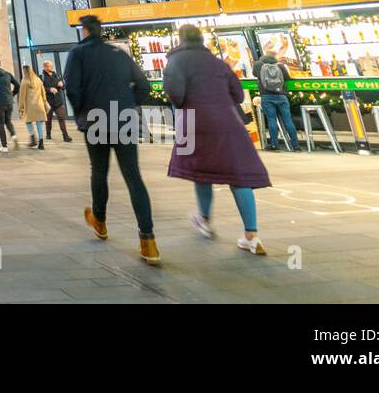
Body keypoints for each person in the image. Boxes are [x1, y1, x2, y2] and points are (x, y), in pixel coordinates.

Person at [164, 25, 271, 255]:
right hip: (229, 124)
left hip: (195, 123)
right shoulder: (218, 63)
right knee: (239, 176)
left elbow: (176, 95)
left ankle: (204, 219)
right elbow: (239, 94)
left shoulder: (176, 61)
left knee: (200, 171)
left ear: (180, 40)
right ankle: (251, 235)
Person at [64, 15, 159, 266]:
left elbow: (72, 88)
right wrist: (128, 105)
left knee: (99, 170)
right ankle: (148, 241)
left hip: (95, 120)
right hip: (124, 118)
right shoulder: (119, 54)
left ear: (84, 31)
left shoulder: (78, 54)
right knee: (133, 176)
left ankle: (100, 222)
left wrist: (82, 112)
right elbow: (144, 86)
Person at [256, 53, 299, 151]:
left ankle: (274, 145)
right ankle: (296, 145)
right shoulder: (280, 66)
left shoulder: (259, 66)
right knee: (288, 120)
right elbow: (288, 77)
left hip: (267, 96)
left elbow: (255, 74)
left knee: (272, 120)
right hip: (281, 95)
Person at [41, 60, 73, 142]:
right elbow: (40, 89)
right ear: (44, 67)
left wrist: (62, 85)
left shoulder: (57, 76)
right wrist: (49, 89)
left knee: (61, 118)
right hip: (48, 102)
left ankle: (65, 136)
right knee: (48, 120)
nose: (51, 68)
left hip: (58, 102)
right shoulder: (41, 77)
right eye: (49, 66)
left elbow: (63, 87)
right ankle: (48, 134)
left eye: (51, 66)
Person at [18, 64, 49, 150]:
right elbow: (43, 93)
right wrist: (44, 101)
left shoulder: (24, 81)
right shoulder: (38, 80)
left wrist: (20, 109)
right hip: (39, 105)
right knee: (39, 124)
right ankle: (41, 143)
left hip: (30, 107)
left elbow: (22, 96)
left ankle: (32, 138)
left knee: (28, 121)